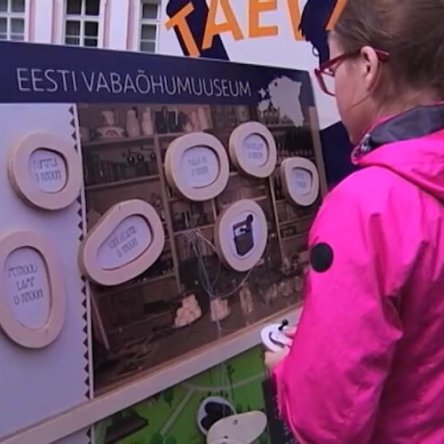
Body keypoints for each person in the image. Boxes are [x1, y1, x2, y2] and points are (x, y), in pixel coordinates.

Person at [265, 1, 444, 443]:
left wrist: (285, 371)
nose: (332, 85)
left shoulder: (367, 206)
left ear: (367, 67)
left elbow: (329, 422)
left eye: (331, 67)